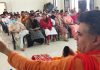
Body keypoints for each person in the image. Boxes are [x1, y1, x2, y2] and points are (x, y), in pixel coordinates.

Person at [0, 10, 100, 70]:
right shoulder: (28, 21)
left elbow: (34, 67)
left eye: (80, 34)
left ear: (96, 40)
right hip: (31, 30)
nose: (74, 37)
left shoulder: (78, 63)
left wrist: (5, 50)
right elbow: (38, 25)